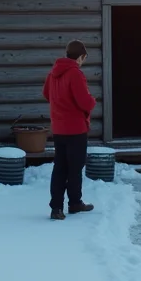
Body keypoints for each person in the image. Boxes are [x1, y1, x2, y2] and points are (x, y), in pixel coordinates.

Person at [43, 40, 96, 220]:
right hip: (75, 128)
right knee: (75, 168)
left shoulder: (53, 73)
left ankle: (56, 208)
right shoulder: (75, 73)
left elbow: (46, 93)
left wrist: (59, 104)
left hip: (59, 128)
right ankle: (75, 203)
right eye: (84, 58)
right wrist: (92, 101)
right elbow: (84, 102)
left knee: (60, 167)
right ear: (80, 57)